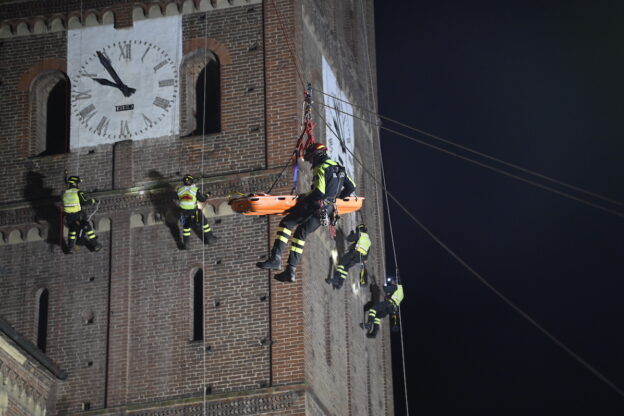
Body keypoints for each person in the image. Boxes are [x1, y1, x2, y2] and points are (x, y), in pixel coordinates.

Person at [256, 143, 356, 282]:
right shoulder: (340, 168)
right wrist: (335, 199)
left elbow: (319, 192)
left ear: (316, 155)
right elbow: (351, 187)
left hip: (315, 205)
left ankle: (275, 259)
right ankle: (290, 271)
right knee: (300, 234)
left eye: (311, 159)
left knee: (286, 223)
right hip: (327, 210)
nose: (311, 163)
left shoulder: (322, 168)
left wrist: (304, 198)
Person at [62, 175, 101, 253]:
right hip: (77, 216)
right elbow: (85, 202)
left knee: (72, 230)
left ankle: (69, 247)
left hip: (68, 216)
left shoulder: (64, 193)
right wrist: (94, 201)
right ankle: (95, 244)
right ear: (75, 183)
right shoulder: (78, 192)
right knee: (87, 227)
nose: (78, 185)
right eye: (78, 183)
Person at [177, 175, 216, 250]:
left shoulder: (179, 190)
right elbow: (202, 199)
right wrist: (207, 195)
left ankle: (186, 244)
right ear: (191, 182)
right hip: (194, 211)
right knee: (204, 223)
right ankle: (210, 239)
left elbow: (183, 193)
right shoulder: (194, 190)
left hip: (183, 212)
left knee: (186, 228)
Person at [330, 223, 371, 289]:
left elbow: (349, 239)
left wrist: (352, 234)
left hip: (353, 254)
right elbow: (366, 257)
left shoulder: (360, 234)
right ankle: (340, 284)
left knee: (342, 263)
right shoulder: (369, 241)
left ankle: (336, 279)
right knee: (346, 268)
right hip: (358, 259)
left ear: (360, 229)